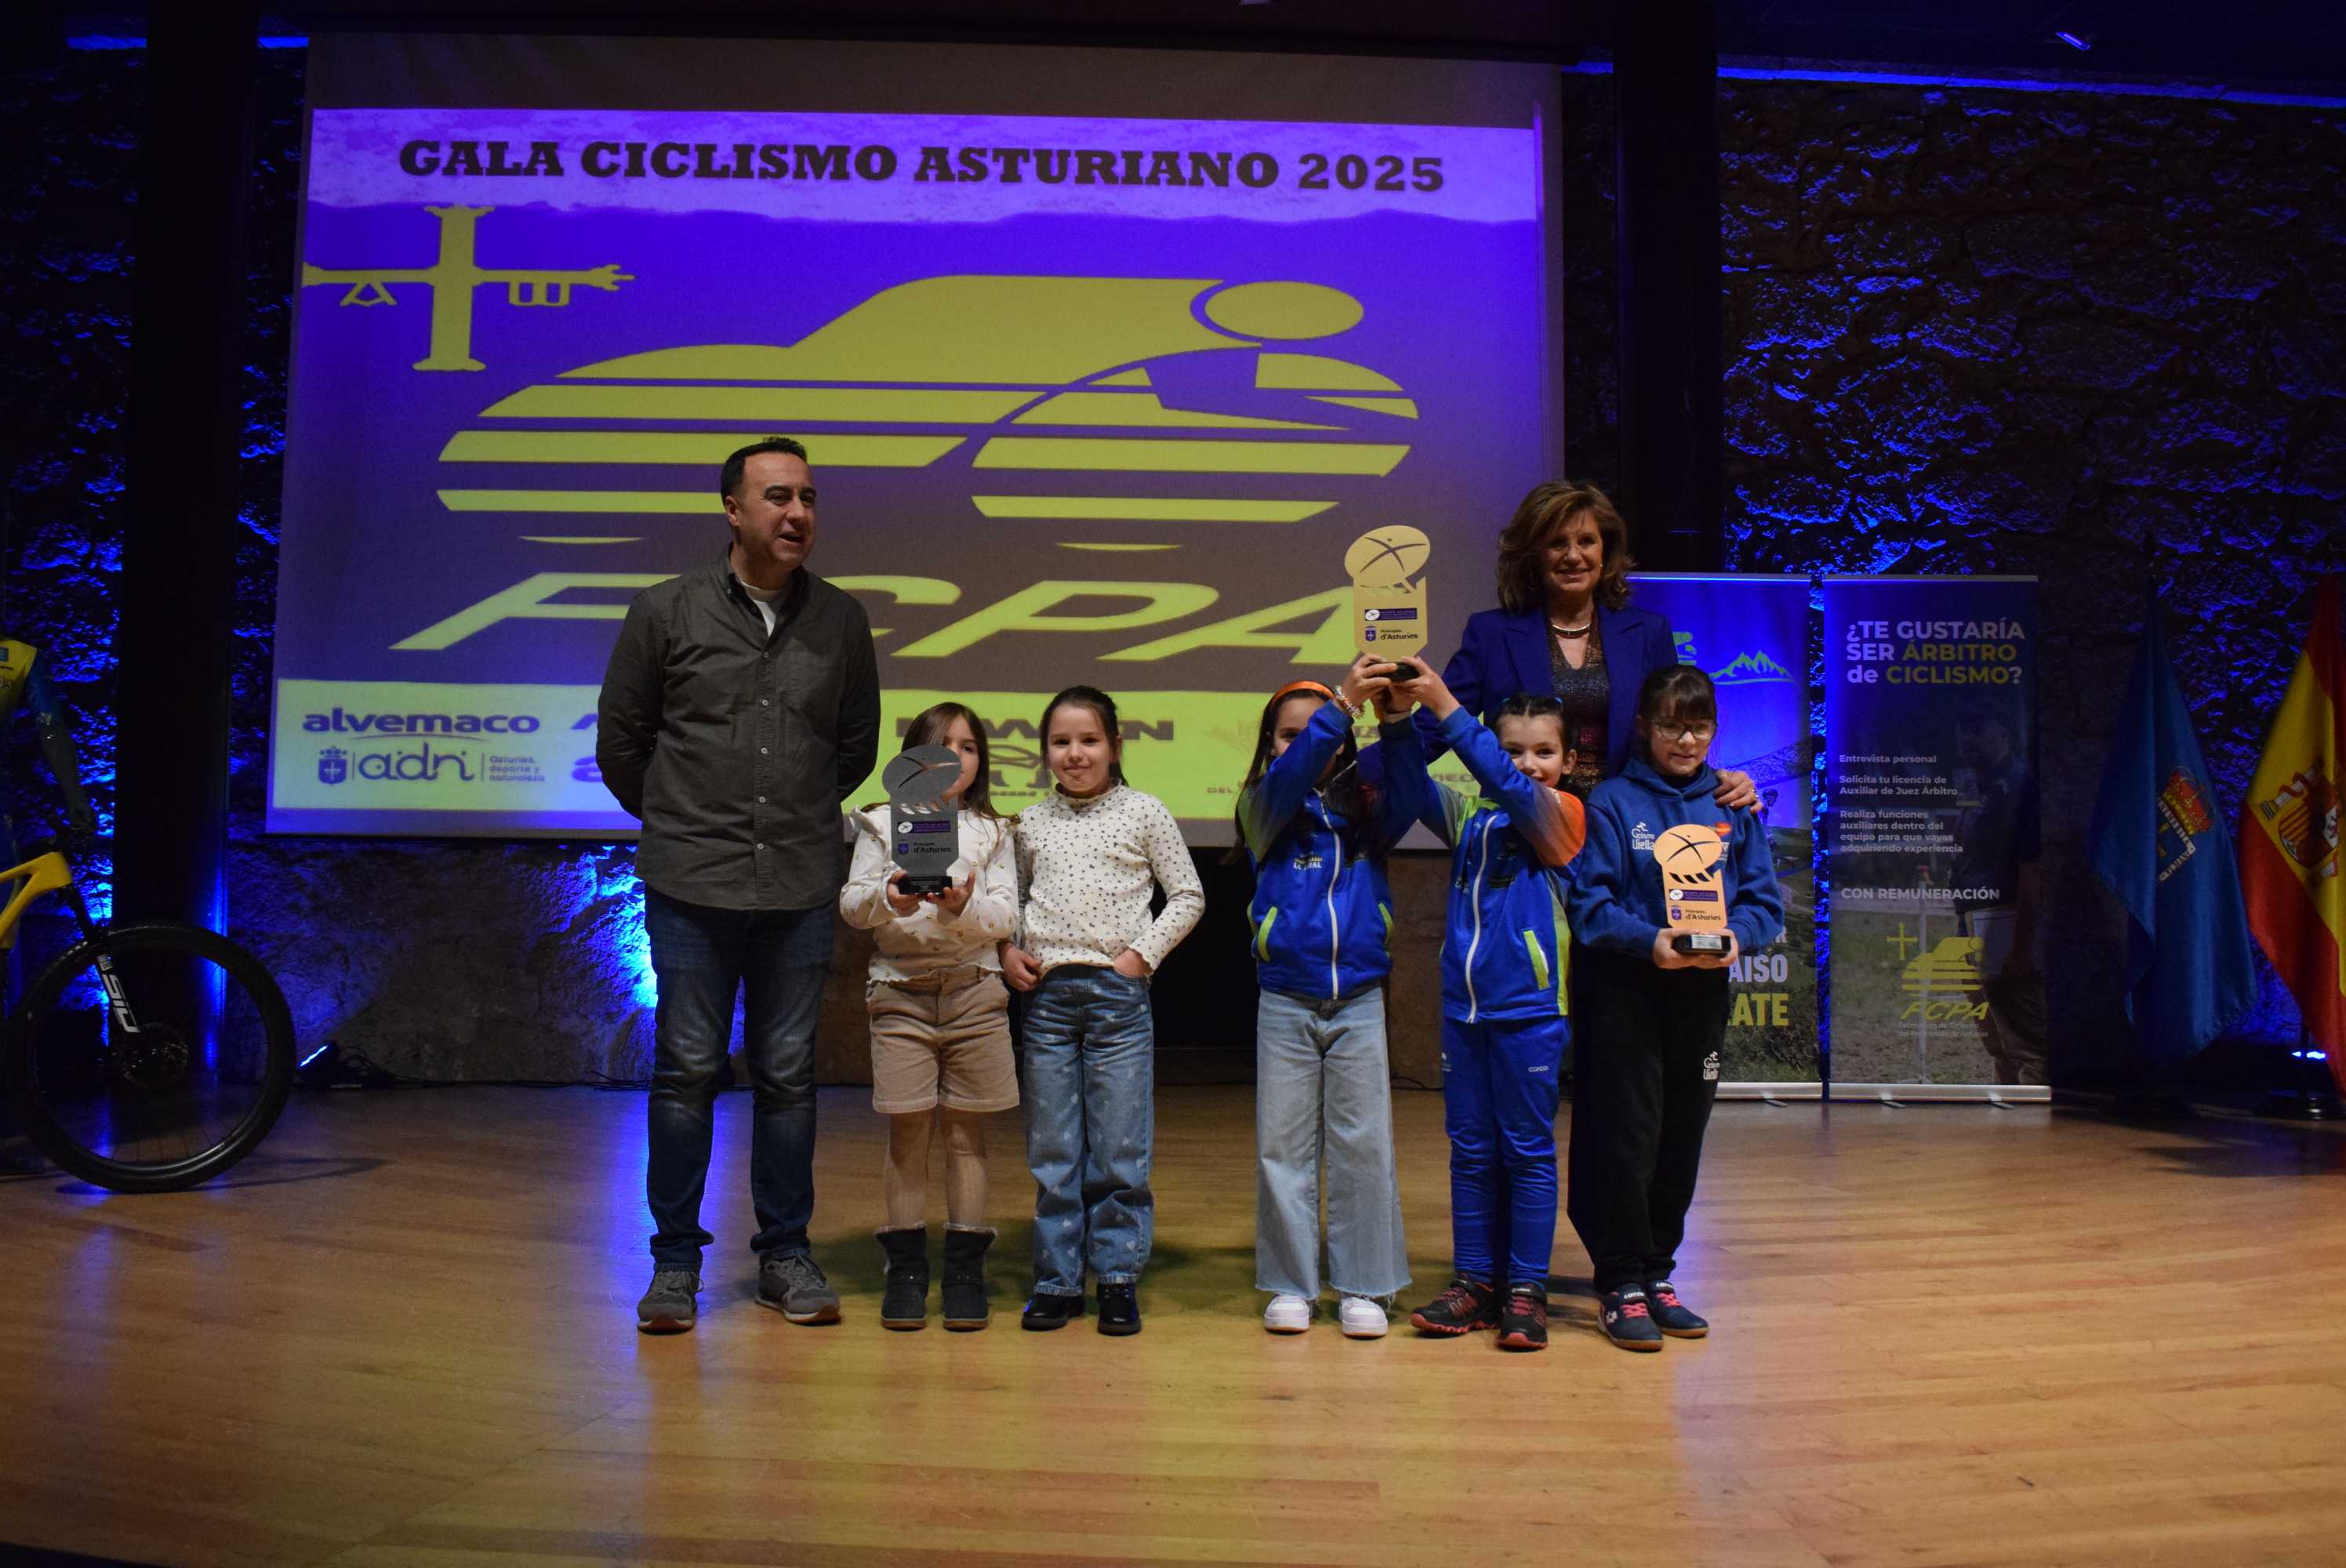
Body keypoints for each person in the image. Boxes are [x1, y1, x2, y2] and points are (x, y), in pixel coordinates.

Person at [597, 434, 881, 1335]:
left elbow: (854, 748)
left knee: (789, 1076)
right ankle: (674, 1264)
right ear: (732, 510)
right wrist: (691, 818)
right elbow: (623, 744)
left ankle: (786, 1255)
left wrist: (784, 814)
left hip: (796, 880)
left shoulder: (840, 619)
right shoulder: (664, 611)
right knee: (684, 1071)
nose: (796, 513)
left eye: (807, 497)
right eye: (776, 497)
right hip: (690, 880)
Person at [1567, 664, 1782, 1352]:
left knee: (1680, 1135)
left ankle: (1659, 1272)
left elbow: (1763, 904)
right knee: (1624, 1135)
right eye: (1670, 726)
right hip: (1627, 991)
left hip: (1701, 994)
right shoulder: (1610, 802)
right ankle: (1620, 1278)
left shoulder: (1732, 805)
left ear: (1714, 729)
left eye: (1698, 726)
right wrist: (1649, 940)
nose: (1684, 740)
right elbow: (1589, 907)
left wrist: (1735, 939)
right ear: (1645, 727)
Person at [1379, 659, 1588, 1352]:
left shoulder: (1562, 817)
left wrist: (1442, 701)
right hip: (1463, 1013)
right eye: (1516, 749)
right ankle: (1475, 1282)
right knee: (1470, 1152)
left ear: (1569, 758)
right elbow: (1409, 789)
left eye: (1544, 751)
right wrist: (1395, 722)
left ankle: (1526, 1288)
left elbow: (1506, 783)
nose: (1528, 764)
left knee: (1527, 1152)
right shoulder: (1473, 817)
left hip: (1529, 1013)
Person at [1000, 685, 1204, 1337]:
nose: (1075, 753)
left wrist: (1143, 954)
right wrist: (1007, 950)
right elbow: (1009, 905)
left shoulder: (1144, 812)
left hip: (1118, 999)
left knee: (1119, 1148)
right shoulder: (1028, 823)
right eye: (1060, 742)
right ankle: (1057, 1281)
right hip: (1048, 1001)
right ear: (1044, 753)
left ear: (1116, 746)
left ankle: (1116, 1277)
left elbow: (1189, 895)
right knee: (1054, 1147)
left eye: (1089, 740)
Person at [1235, 657, 1416, 1338]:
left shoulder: (1370, 814)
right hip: (1285, 999)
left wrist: (1394, 720)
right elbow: (1287, 782)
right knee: (1282, 1149)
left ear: (1347, 741)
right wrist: (1338, 707)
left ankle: (1365, 1285)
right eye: (1288, 733)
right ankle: (1290, 1283)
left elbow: (1410, 784)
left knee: (1363, 1146)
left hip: (1360, 999)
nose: (1303, 742)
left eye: (1319, 732)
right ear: (1270, 746)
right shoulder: (1262, 807)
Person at [840, 702, 1020, 1330]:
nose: (955, 759)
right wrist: (890, 895)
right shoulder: (879, 822)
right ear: (911, 759)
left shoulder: (993, 830)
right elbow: (853, 904)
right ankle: (907, 1266)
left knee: (968, 1135)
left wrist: (962, 907)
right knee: (908, 1132)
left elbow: (1004, 919)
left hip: (976, 993)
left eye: (968, 747)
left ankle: (966, 1268)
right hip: (900, 994)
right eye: (940, 746)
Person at [1415, 480, 1756, 809]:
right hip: (1526, 830)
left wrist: (1717, 779)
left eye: (1586, 541)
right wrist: (1367, 772)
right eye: (1557, 543)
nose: (1574, 556)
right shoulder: (1492, 633)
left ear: (1605, 551)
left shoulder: (1648, 632)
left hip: (1625, 830)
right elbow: (1438, 725)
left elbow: (1671, 730)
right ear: (1534, 556)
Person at [1952, 701, 2048, 1086]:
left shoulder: (2018, 786)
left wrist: (2021, 947)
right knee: (1996, 1037)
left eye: (1979, 727)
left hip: (2004, 927)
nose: (1969, 738)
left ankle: (2033, 1133)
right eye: (1965, 729)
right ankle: (2005, 1121)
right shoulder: (1982, 786)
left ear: (2004, 733)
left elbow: (2031, 869)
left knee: (2025, 1040)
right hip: (1974, 921)